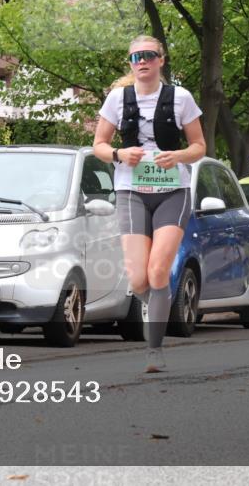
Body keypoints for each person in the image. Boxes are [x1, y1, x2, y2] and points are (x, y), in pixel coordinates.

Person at [93, 35, 205, 372]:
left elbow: (199, 146)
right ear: (130, 63)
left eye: (149, 56)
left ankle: (154, 349)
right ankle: (160, 301)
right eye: (136, 57)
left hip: (173, 192)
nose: (142, 62)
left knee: (158, 271)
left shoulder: (181, 98)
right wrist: (118, 154)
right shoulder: (117, 99)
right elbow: (99, 143)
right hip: (131, 191)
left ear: (161, 60)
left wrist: (179, 156)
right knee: (139, 279)